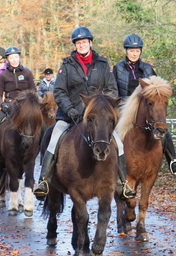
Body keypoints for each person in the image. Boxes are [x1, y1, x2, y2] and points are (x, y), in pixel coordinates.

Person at [32, 26, 136, 201]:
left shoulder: (103, 64)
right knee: (54, 137)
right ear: (75, 45)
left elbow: (112, 90)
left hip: (98, 118)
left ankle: (122, 183)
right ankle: (44, 181)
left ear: (90, 43)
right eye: (78, 43)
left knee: (118, 142)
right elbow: (59, 91)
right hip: (70, 115)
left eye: (84, 42)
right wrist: (71, 110)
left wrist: (101, 108)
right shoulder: (67, 65)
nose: (81, 45)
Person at [113, 33, 176, 175]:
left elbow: (157, 88)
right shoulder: (118, 68)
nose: (134, 54)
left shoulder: (147, 68)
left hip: (144, 109)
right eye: (131, 51)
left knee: (162, 127)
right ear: (126, 51)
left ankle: (173, 161)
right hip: (124, 108)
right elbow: (113, 89)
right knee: (110, 131)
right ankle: (108, 164)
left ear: (141, 51)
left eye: (137, 51)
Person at [0, 46, 36, 168]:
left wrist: (30, 103)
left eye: (16, 57)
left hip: (25, 106)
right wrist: (3, 104)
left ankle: (42, 153)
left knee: (42, 126)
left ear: (19, 57)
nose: (14, 60)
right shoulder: (4, 75)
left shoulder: (27, 72)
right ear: (8, 59)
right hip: (10, 106)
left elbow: (33, 90)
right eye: (11, 58)